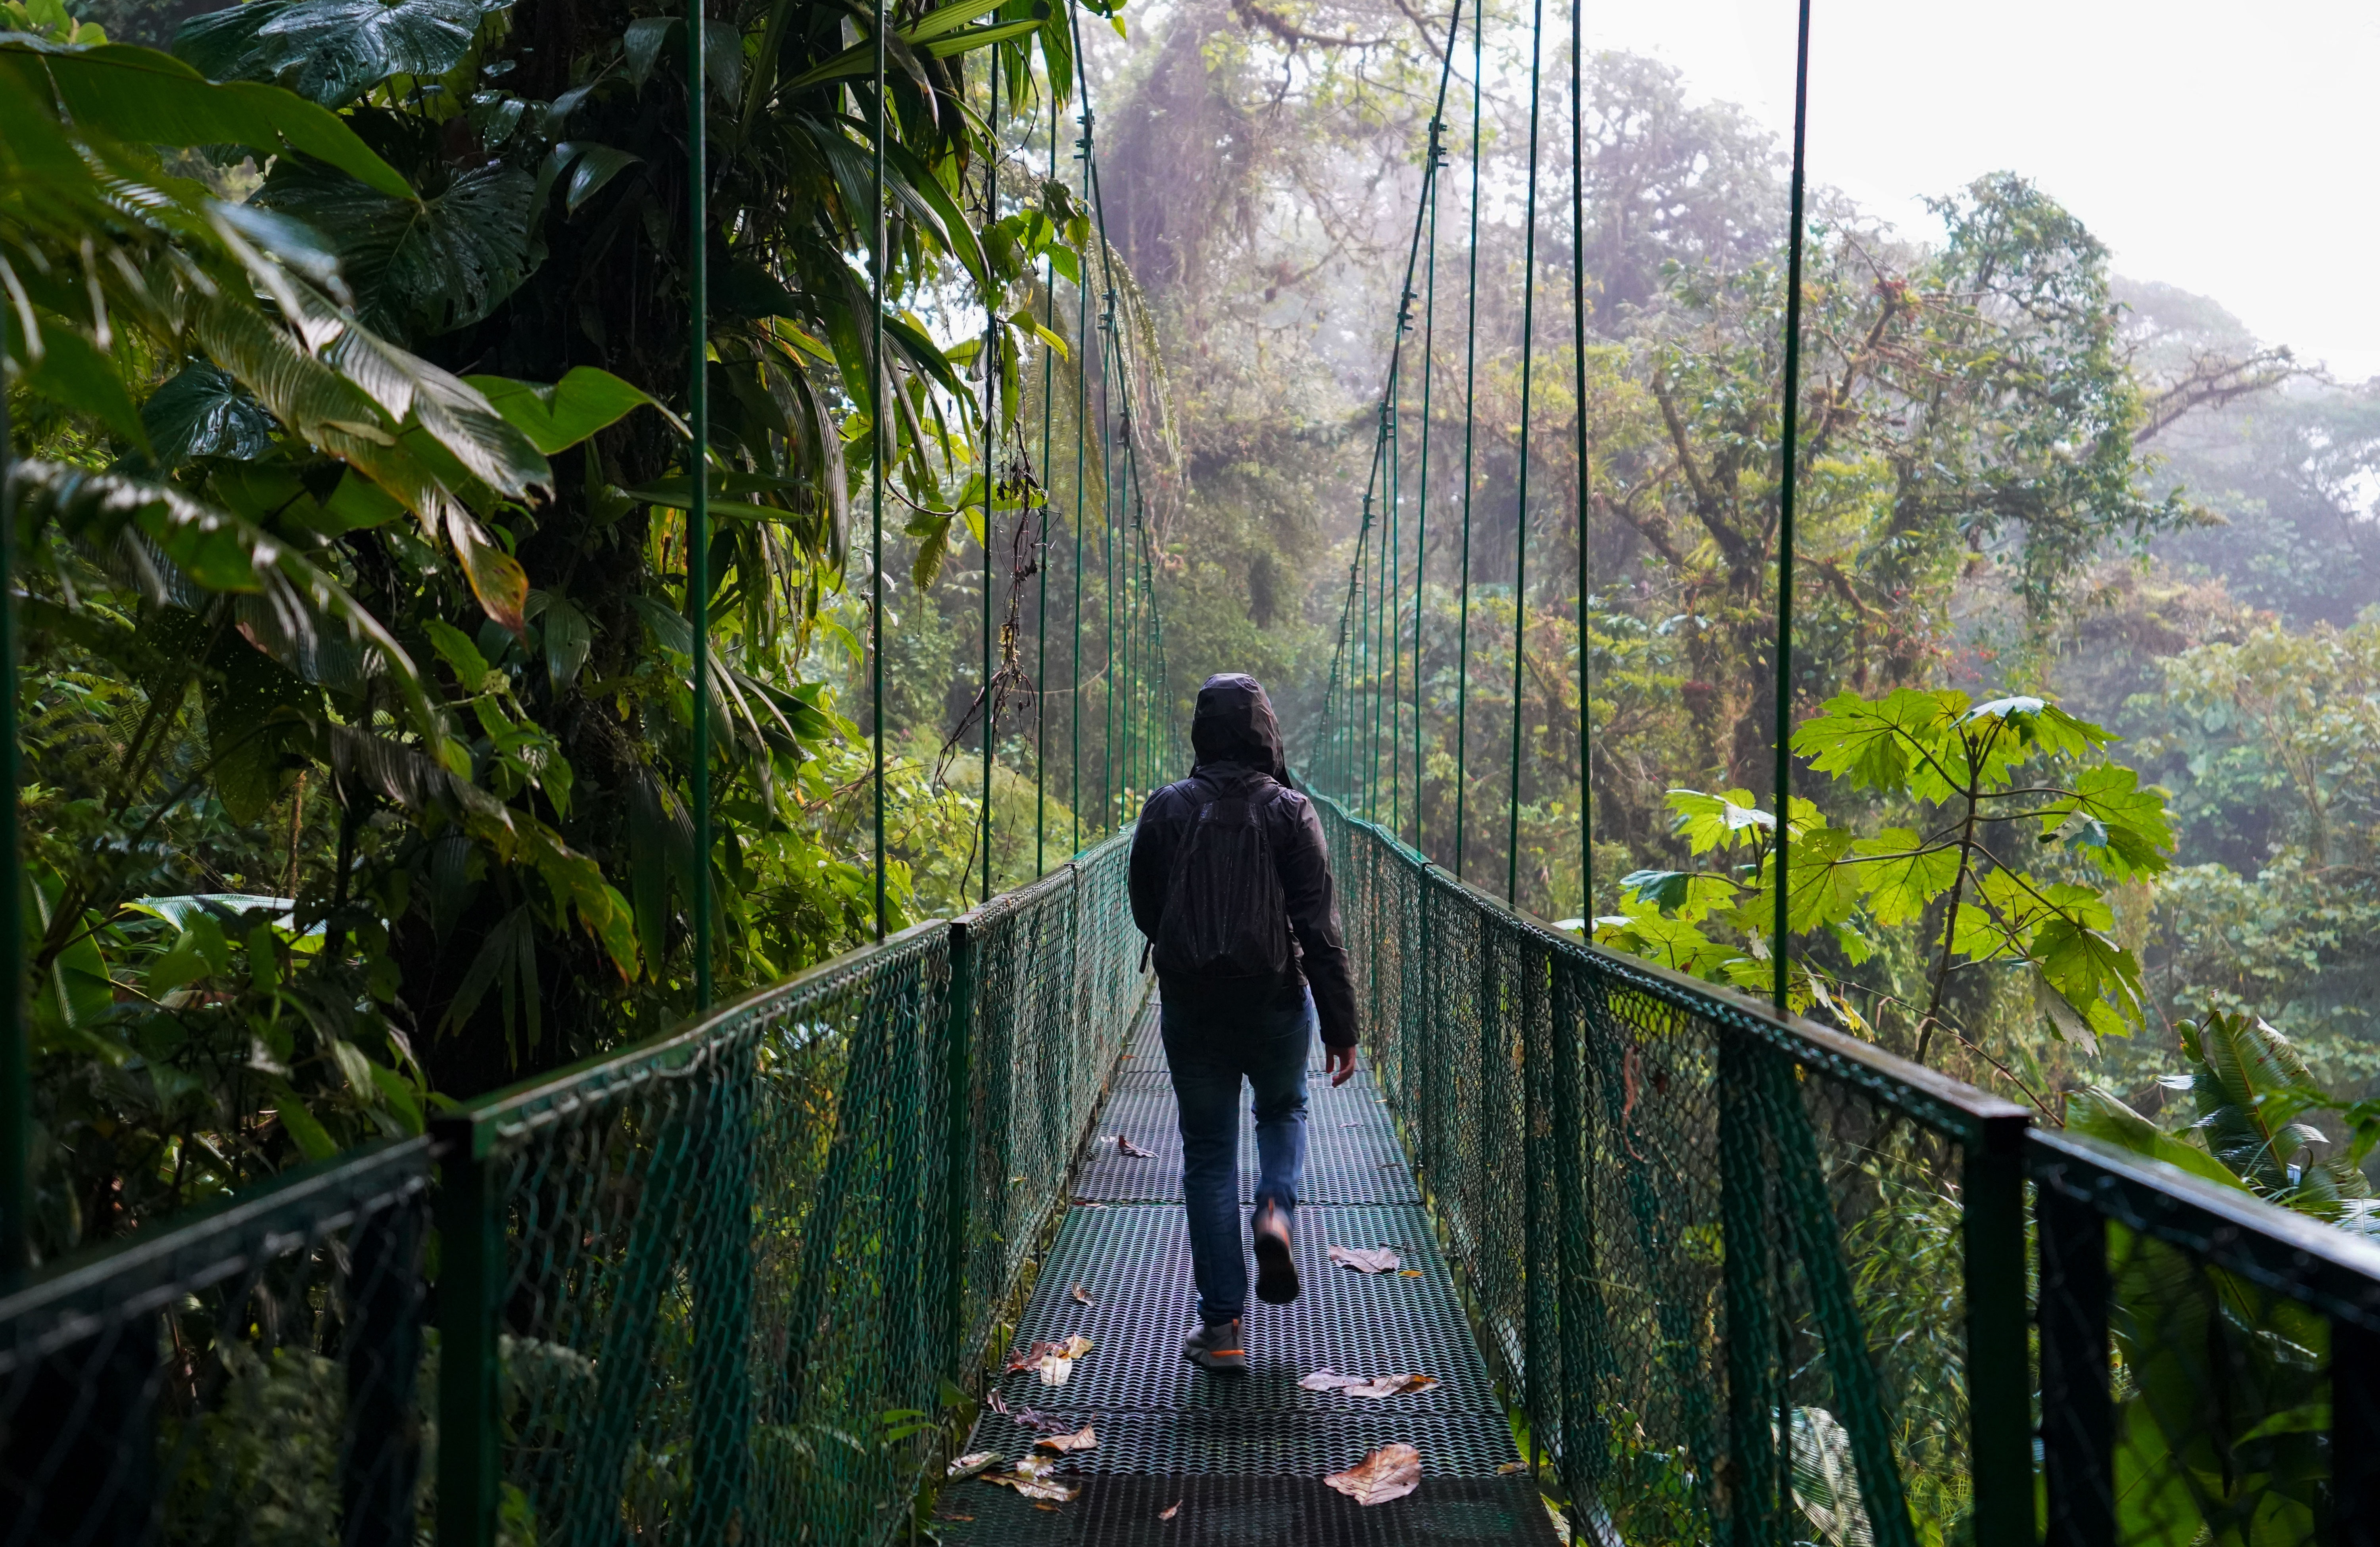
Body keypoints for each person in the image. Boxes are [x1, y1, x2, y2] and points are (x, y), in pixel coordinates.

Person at [1128, 674, 1359, 1376]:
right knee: (1285, 1108)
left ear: (1202, 731)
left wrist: (1188, 945)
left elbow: (1146, 906)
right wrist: (1341, 1027)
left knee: (1206, 1153)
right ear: (1266, 730)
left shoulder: (1166, 809)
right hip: (1276, 1000)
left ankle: (1223, 1328)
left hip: (1192, 1004)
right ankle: (1275, 1212)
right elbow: (1318, 930)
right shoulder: (1293, 811)